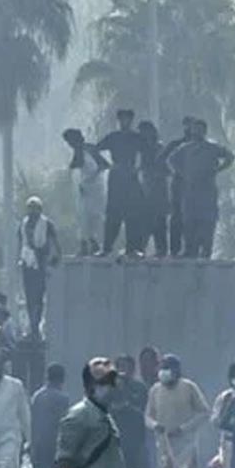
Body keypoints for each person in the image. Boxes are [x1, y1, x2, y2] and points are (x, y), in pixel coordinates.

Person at [167, 119, 235, 259]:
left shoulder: (212, 147)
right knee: (189, 220)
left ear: (205, 131)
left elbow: (230, 157)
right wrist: (182, 173)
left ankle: (206, 250)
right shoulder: (185, 148)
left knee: (207, 220)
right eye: (194, 129)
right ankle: (189, 250)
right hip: (190, 190)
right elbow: (171, 160)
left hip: (207, 189)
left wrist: (217, 169)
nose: (197, 132)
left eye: (200, 129)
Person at [94, 109, 145, 257]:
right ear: (119, 120)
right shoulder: (113, 137)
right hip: (116, 176)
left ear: (131, 120)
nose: (125, 121)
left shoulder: (136, 137)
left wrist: (139, 167)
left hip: (131, 176)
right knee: (113, 212)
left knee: (132, 213)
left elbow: (147, 152)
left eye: (127, 119)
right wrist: (106, 164)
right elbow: (95, 149)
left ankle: (132, 248)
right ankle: (107, 247)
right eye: (122, 119)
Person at [111, 355, 152, 468]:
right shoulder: (111, 388)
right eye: (119, 367)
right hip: (114, 439)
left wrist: (128, 407)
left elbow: (145, 412)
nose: (123, 371)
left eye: (126, 367)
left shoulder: (139, 388)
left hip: (135, 439)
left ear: (133, 369)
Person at [18, 196, 62, 340]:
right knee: (30, 297)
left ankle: (38, 326)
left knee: (39, 297)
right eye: (30, 207)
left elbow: (55, 241)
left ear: (40, 209)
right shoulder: (23, 224)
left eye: (35, 208)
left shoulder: (47, 224)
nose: (32, 211)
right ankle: (33, 326)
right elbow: (21, 242)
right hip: (27, 263)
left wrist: (56, 257)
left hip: (41, 261)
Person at [63, 128, 108, 256]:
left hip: (95, 188)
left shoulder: (90, 149)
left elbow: (104, 165)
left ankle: (96, 245)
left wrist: (89, 180)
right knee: (83, 216)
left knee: (95, 216)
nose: (70, 144)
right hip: (84, 189)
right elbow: (73, 167)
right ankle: (87, 244)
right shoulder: (77, 151)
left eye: (70, 141)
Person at [160, 118, 195, 256]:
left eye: (193, 125)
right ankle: (175, 249)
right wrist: (173, 172)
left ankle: (191, 248)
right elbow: (161, 160)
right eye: (188, 125)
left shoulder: (202, 146)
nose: (190, 128)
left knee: (193, 217)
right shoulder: (177, 144)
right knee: (177, 216)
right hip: (179, 184)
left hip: (195, 186)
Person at [137, 121, 170, 257]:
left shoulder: (159, 147)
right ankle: (140, 248)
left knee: (159, 220)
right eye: (141, 132)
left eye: (145, 131)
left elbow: (168, 169)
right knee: (144, 219)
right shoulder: (142, 148)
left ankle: (161, 249)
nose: (143, 134)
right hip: (146, 187)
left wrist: (156, 174)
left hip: (158, 188)